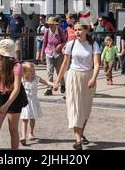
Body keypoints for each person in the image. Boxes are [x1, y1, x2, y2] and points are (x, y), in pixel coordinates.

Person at [53, 21, 100, 150]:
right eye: (75, 30)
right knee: (74, 107)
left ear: (86, 30)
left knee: (85, 108)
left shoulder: (93, 44)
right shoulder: (70, 44)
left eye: (79, 29)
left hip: (88, 77)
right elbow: (64, 64)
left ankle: (80, 133)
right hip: (73, 76)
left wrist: (94, 78)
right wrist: (57, 81)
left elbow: (96, 64)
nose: (77, 32)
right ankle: (78, 140)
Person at [0, 39, 28, 150]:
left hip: (14, 97)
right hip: (2, 95)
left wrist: (7, 105)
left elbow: (16, 88)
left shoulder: (17, 66)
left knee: (13, 129)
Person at [19, 62, 54, 146]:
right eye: (31, 71)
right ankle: (23, 136)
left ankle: (31, 132)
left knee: (32, 118)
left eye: (34, 70)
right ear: (25, 72)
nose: (34, 72)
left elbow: (45, 82)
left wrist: (54, 84)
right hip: (24, 102)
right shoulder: (22, 79)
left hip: (33, 102)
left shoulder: (36, 78)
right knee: (24, 119)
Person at [41, 17, 66, 96]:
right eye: (49, 24)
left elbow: (65, 41)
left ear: (55, 24)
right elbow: (44, 43)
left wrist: (60, 45)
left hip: (58, 53)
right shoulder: (47, 31)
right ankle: (49, 88)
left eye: (52, 24)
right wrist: (42, 54)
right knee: (49, 71)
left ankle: (62, 85)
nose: (51, 26)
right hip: (49, 52)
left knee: (59, 70)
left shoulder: (60, 31)